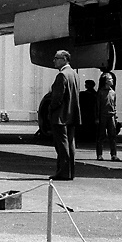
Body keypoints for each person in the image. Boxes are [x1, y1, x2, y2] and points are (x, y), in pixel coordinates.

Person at [45, 50, 81, 181]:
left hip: (60, 116)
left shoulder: (62, 75)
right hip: (71, 115)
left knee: (62, 145)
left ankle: (63, 172)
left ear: (64, 59)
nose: (54, 60)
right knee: (70, 144)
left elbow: (57, 98)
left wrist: (50, 108)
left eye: (56, 58)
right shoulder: (74, 74)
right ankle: (70, 172)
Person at [95, 73, 120, 161]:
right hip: (103, 116)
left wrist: (115, 116)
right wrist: (97, 117)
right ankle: (99, 154)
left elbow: (114, 105)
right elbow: (98, 106)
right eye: (110, 79)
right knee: (101, 136)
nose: (112, 81)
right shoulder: (101, 92)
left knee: (112, 136)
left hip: (111, 115)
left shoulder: (113, 92)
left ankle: (113, 154)